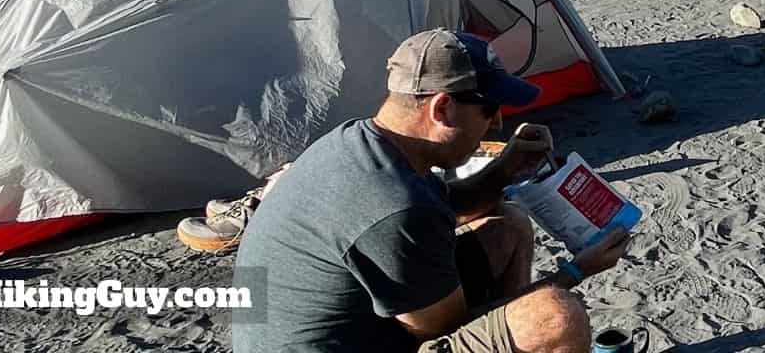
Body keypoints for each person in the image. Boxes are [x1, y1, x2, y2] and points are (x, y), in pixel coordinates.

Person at [233, 29, 631, 353]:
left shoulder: (363, 143)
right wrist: (577, 271)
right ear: (441, 109)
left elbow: (446, 207)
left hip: (351, 326)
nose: (495, 126)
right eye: (490, 110)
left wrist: (504, 170)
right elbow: (447, 329)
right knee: (555, 317)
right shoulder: (393, 206)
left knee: (507, 224)